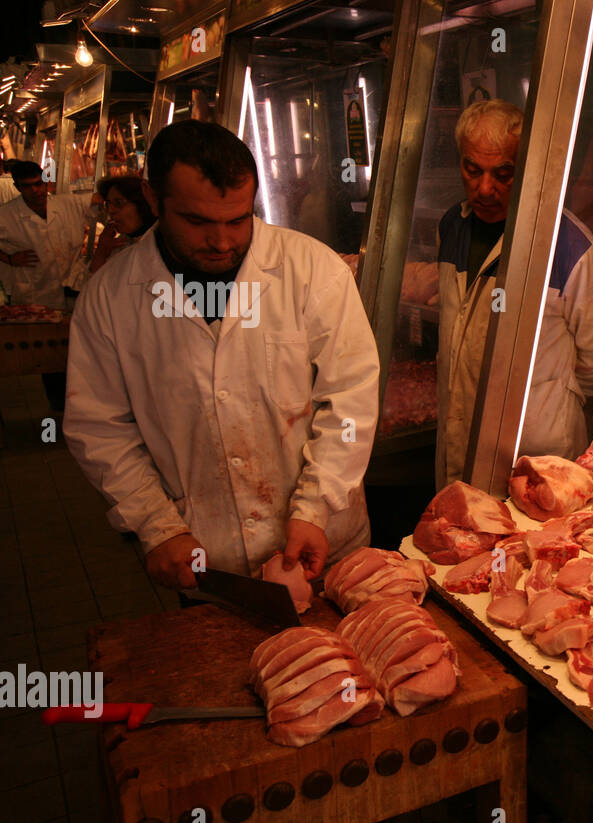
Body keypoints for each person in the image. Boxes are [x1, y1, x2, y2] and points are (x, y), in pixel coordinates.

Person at [63, 120, 380, 590]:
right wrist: (157, 526)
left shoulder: (314, 271)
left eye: (237, 220)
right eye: (198, 222)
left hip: (324, 542)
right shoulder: (110, 298)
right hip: (207, 557)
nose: (223, 241)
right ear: (153, 200)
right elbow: (100, 427)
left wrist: (316, 505)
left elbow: (349, 400)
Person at [436, 99, 593, 489]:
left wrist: (555, 393)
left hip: (539, 455)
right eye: (472, 170)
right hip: (460, 441)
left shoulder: (571, 247)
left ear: (526, 170)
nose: (484, 188)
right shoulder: (452, 227)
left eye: (503, 174)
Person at [0, 159, 95, 409]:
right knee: (49, 354)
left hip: (72, 285)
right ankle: (58, 406)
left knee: (79, 347)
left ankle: (81, 402)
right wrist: (8, 258)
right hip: (35, 292)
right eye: (29, 186)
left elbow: (97, 201)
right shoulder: (7, 215)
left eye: (40, 183)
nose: (37, 190)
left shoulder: (65, 203)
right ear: (18, 188)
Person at [89, 174, 156, 273]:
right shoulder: (121, 243)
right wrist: (101, 252)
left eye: (119, 203)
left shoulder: (158, 248)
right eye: (108, 204)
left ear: (142, 205)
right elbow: (94, 285)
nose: (111, 210)